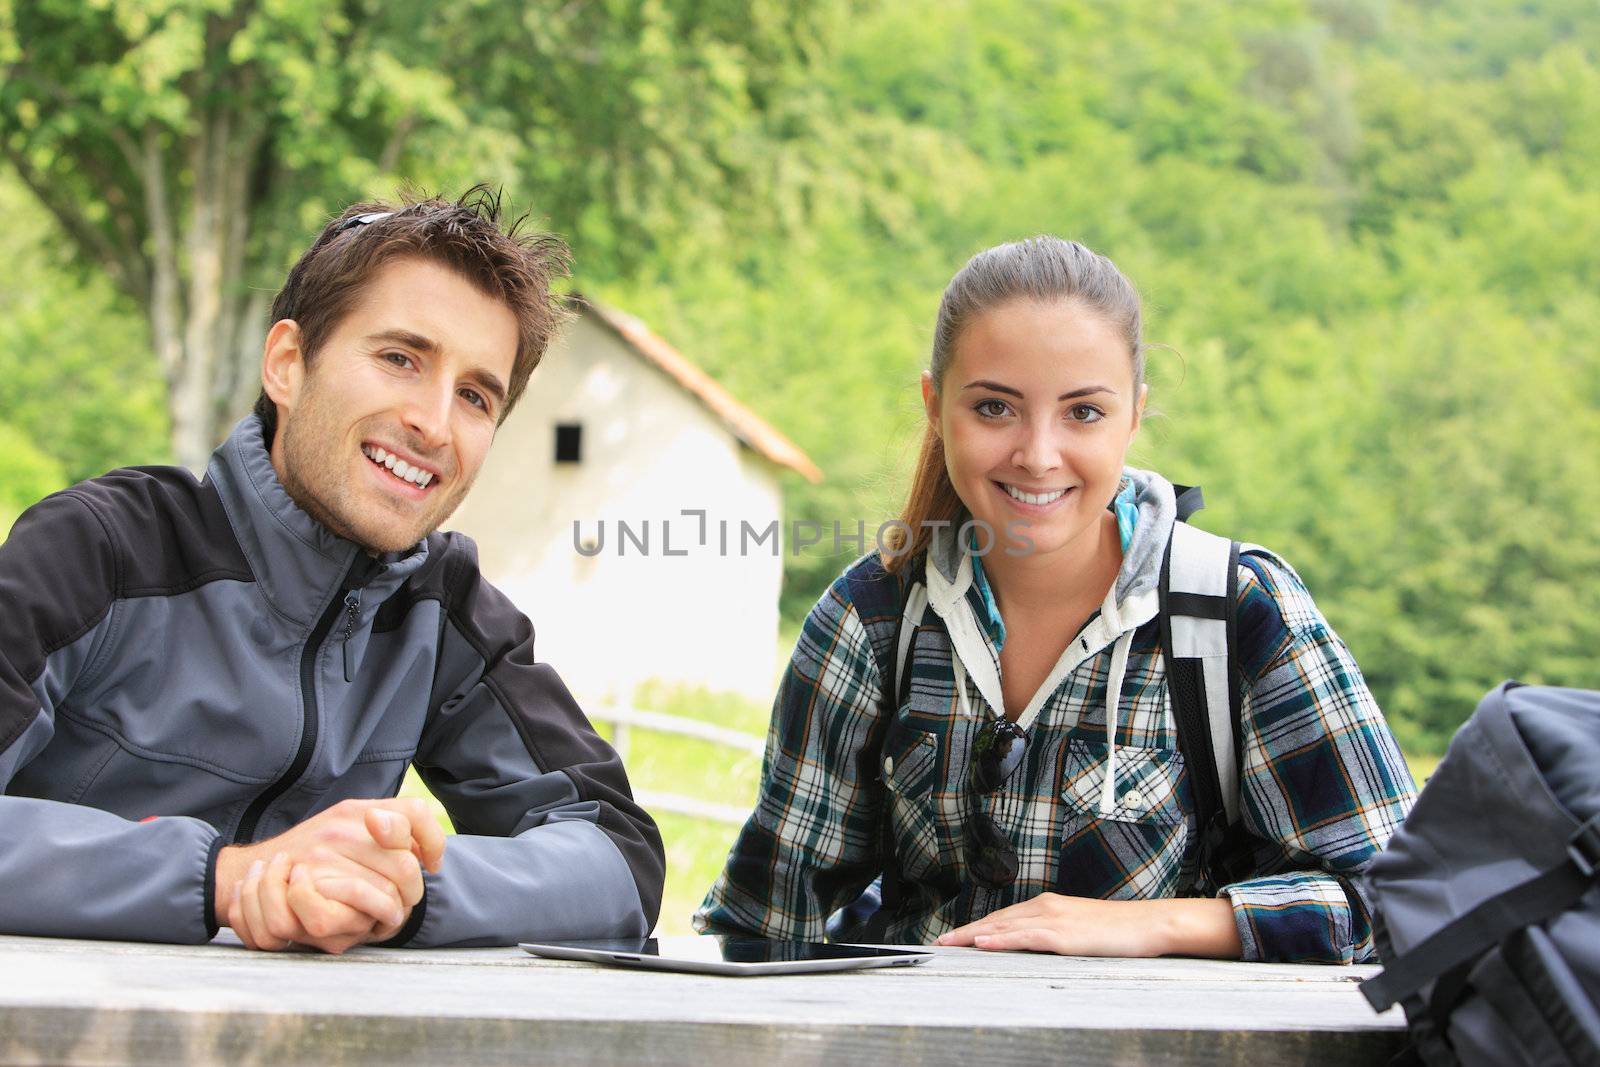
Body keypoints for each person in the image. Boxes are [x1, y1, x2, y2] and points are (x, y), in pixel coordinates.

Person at [696, 236, 1416, 963]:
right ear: (935, 405)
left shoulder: (1237, 613)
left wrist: (1155, 923)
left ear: (1134, 416)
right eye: (995, 407)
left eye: (1084, 413)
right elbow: (764, 920)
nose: (1038, 454)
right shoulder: (873, 618)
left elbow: (1401, 898)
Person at [0, 189, 664, 953]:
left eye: (475, 395)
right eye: (399, 358)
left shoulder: (445, 608)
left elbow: (619, 859)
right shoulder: (101, 547)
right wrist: (228, 878)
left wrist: (399, 888)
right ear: (287, 363)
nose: (434, 422)